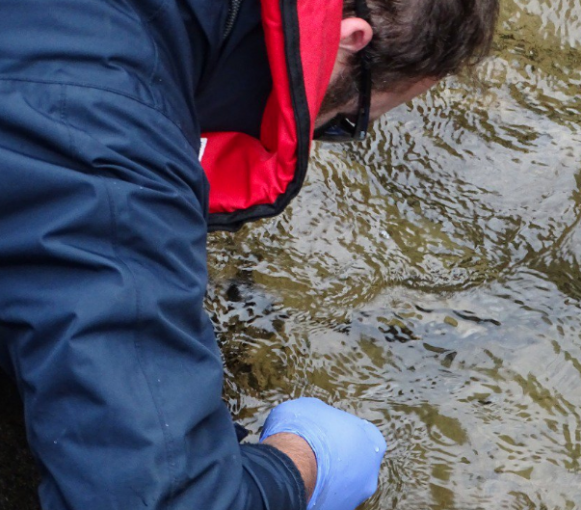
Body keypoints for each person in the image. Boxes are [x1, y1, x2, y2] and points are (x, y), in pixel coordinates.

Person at [0, 0, 498, 509]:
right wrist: (302, 465)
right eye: (343, 122)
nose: (317, 134)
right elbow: (167, 500)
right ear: (349, 39)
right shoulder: (109, 157)